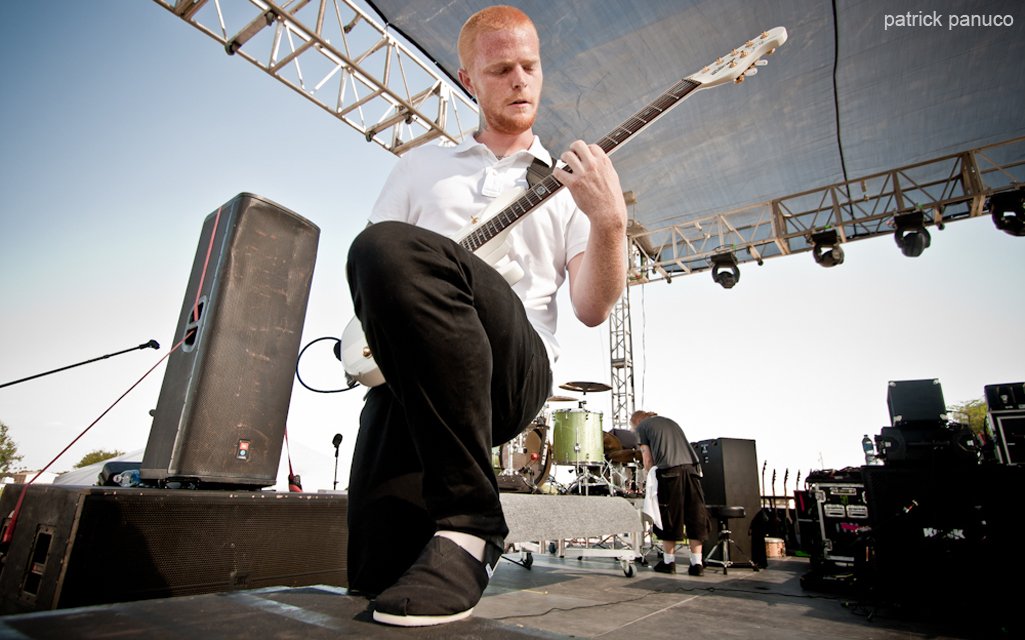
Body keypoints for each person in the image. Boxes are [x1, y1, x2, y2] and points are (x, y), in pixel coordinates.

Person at [344, 5, 627, 627]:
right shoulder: (420, 169)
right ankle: (430, 555)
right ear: (468, 79)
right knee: (374, 581)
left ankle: (474, 524)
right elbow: (377, 275)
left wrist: (609, 222)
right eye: (501, 70)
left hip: (512, 371)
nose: (520, 80)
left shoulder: (566, 185)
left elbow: (591, 308)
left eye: (530, 66)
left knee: (390, 246)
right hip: (414, 384)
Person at [631, 410, 713, 576]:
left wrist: (647, 479)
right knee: (695, 516)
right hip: (692, 471)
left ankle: (669, 562)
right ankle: (697, 564)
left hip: (670, 472)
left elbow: (647, 458)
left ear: (636, 422)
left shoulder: (642, 427)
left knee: (669, 517)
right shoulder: (670, 422)